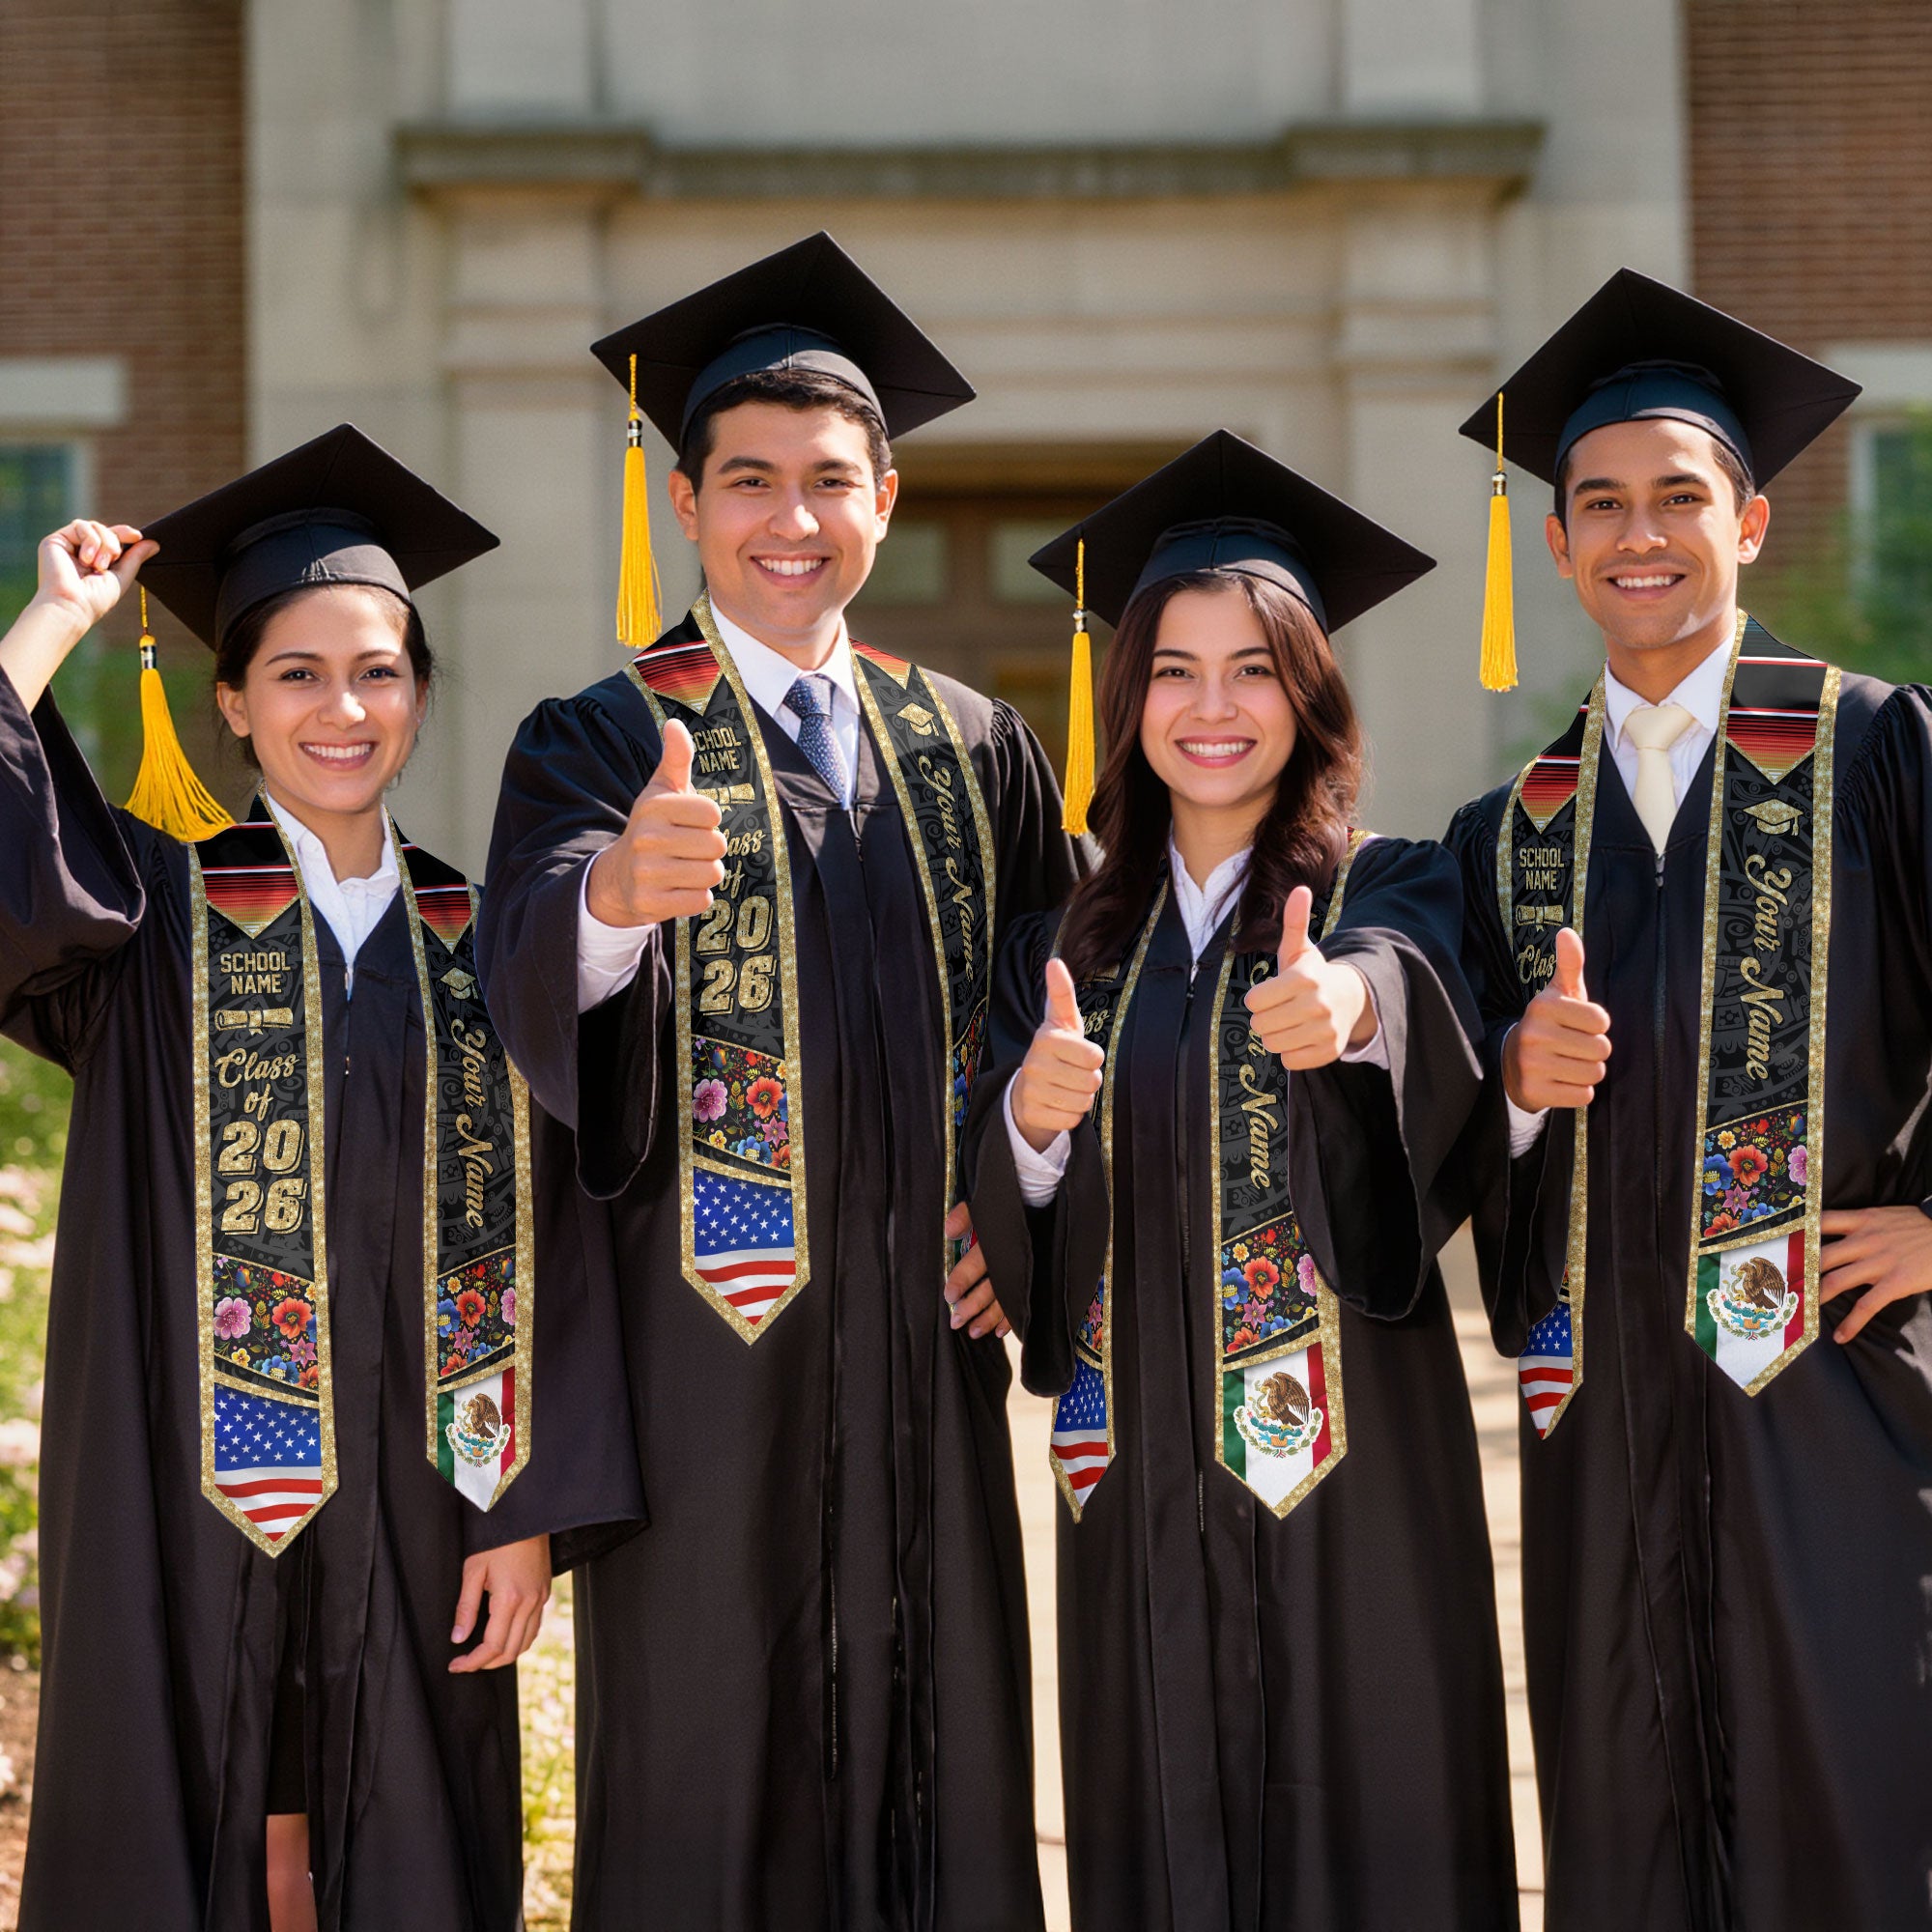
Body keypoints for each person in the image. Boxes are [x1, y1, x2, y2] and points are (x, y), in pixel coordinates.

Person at [478, 233, 1082, 1931]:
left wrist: (1019, 1198)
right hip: (704, 1375)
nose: (790, 520)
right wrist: (608, 901)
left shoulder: (972, 744)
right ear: (686, 503)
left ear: (886, 498)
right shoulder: (598, 738)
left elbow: (1075, 1008)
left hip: (925, 1364)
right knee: (709, 1784)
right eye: (749, 482)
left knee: (943, 1767)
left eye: (831, 481)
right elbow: (523, 975)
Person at [0, 425, 641, 1932]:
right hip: (181, 1483)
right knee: (193, 1811)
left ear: (419, 694)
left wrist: (525, 1506)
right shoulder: (150, 918)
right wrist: (51, 624)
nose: (341, 708)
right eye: (295, 673)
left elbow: (565, 1234)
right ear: (231, 701)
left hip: (428, 1499)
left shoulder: (489, 942)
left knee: (407, 1834)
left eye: (378, 670)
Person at [965, 431, 1518, 1931]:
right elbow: (1007, 1211)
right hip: (1133, 1473)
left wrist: (1349, 1014)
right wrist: (1025, 1118)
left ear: (1311, 693)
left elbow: (1414, 992)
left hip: (1356, 1481)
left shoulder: (1390, 884)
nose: (1214, 709)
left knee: (1377, 1832)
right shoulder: (1063, 946)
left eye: (1256, 669)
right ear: (1127, 696)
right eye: (1175, 671)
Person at [1446, 270, 1932, 1931]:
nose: (1637, 534)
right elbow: (1439, 1127)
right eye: (1599, 505)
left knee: (1855, 1806)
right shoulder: (1509, 831)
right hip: (1601, 1429)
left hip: (1835, 1402)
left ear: (1752, 521)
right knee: (1623, 1819)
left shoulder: (1875, 750)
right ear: (1561, 543)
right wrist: (1511, 1086)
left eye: (1678, 497)